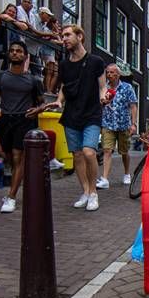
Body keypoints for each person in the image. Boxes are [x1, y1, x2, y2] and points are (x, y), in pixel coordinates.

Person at [0, 41, 47, 213]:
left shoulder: (33, 80)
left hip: (24, 120)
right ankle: (20, 182)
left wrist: (37, 110)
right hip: (6, 120)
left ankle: (11, 197)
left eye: (19, 51)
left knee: (18, 157)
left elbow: (42, 103)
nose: (15, 53)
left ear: (25, 56)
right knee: (9, 155)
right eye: (12, 51)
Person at [46, 25, 105, 212]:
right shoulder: (64, 64)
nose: (64, 39)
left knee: (89, 152)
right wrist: (58, 101)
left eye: (68, 35)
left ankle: (94, 192)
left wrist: (104, 96)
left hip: (92, 113)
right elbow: (64, 87)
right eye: (63, 36)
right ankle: (85, 192)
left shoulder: (96, 61)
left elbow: (102, 86)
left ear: (80, 36)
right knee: (77, 155)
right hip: (71, 114)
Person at [97, 63, 138, 189]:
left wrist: (133, 124)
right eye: (107, 72)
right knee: (107, 150)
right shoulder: (103, 88)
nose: (109, 75)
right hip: (108, 123)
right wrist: (102, 102)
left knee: (124, 152)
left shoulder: (127, 88)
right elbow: (99, 104)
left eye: (112, 72)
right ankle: (104, 179)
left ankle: (126, 174)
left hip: (123, 124)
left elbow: (133, 105)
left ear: (118, 74)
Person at [36, 7, 61, 94]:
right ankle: (48, 90)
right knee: (49, 71)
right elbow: (49, 40)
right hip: (47, 51)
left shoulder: (52, 31)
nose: (57, 26)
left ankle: (49, 90)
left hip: (51, 53)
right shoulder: (46, 29)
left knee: (53, 72)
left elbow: (58, 40)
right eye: (56, 24)